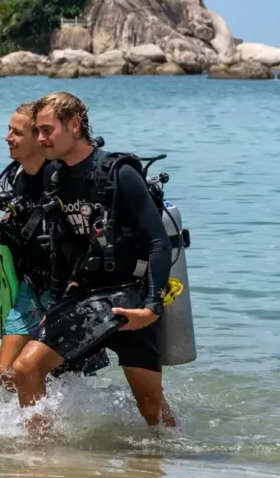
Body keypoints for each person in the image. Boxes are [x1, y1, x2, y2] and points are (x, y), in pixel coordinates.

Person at [10, 92, 176, 427]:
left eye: (47, 130)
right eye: (37, 131)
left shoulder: (119, 174)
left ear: (74, 125)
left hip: (129, 296)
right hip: (86, 296)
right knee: (25, 370)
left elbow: (158, 241)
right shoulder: (55, 176)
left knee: (149, 405)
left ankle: (166, 465)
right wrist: (53, 306)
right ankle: (38, 460)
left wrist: (152, 307)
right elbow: (62, 247)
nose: (40, 139)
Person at [0, 101, 55, 386]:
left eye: (16, 132)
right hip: (29, 282)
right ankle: (30, 424)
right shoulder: (18, 174)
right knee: (5, 373)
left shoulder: (60, 177)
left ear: (39, 138)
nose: (7, 137)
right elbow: (18, 212)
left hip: (61, 287)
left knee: (49, 371)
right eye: (8, 129)